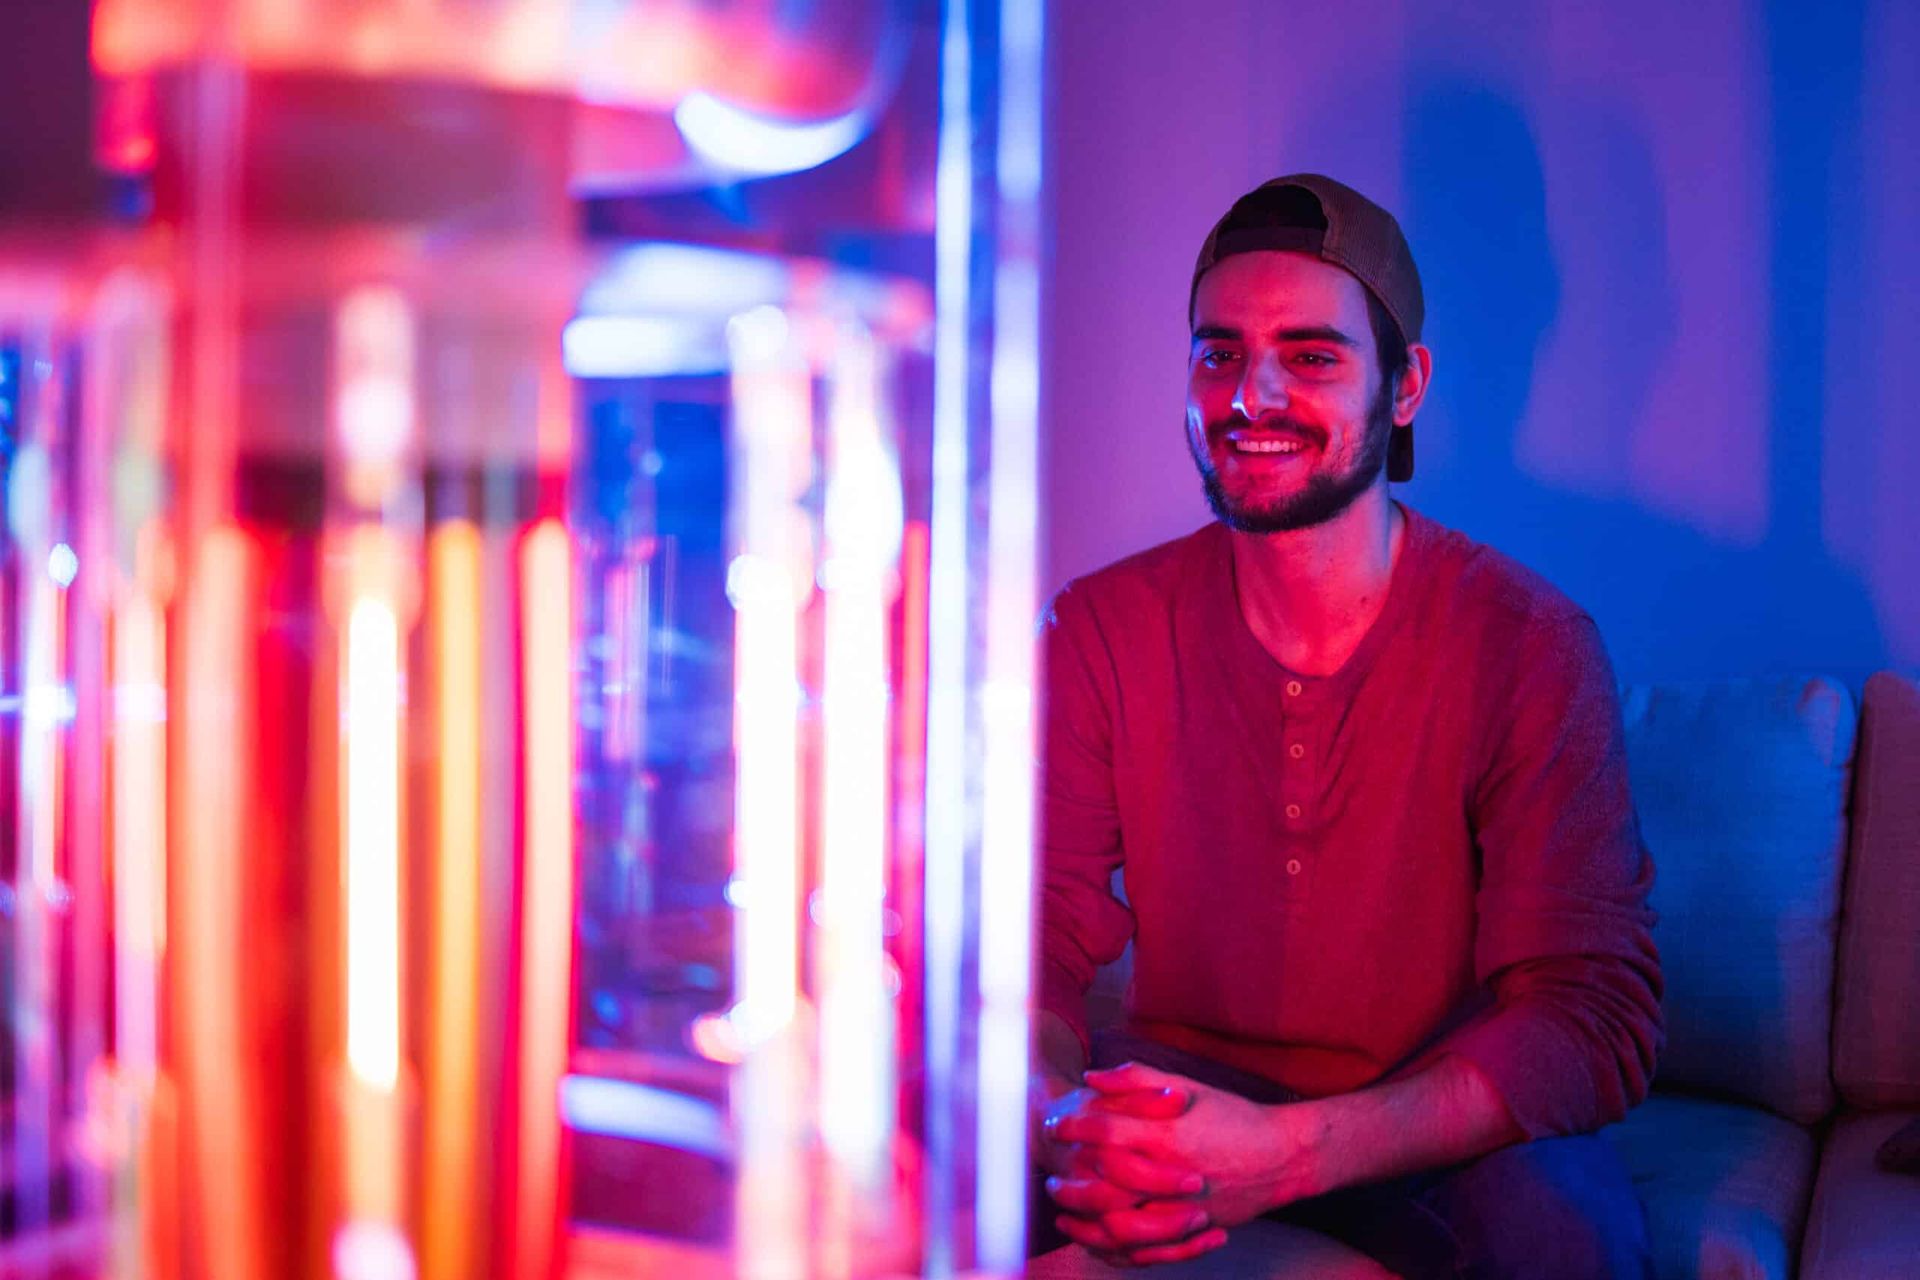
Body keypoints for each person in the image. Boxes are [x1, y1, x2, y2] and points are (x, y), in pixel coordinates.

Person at [1029, 174, 1663, 1278]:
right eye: (1219, 353)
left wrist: (1283, 1156)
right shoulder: (1100, 628)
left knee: (1566, 1242)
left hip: (1430, 1118)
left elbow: (1587, 1011)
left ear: (1404, 386)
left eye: (1311, 356)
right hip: (1178, 1082)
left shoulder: (1528, 642)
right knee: (914, 1168)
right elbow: (1024, 940)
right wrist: (1055, 1122)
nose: (1250, 396)